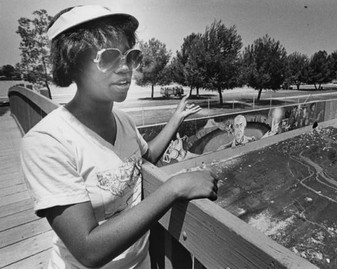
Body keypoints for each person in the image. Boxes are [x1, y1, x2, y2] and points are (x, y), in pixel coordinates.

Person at [20, 5, 218, 269]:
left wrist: (176, 119)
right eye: (110, 57)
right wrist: (174, 187)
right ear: (74, 63)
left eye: (131, 56)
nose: (125, 68)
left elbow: (147, 156)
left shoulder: (123, 121)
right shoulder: (47, 141)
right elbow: (88, 250)